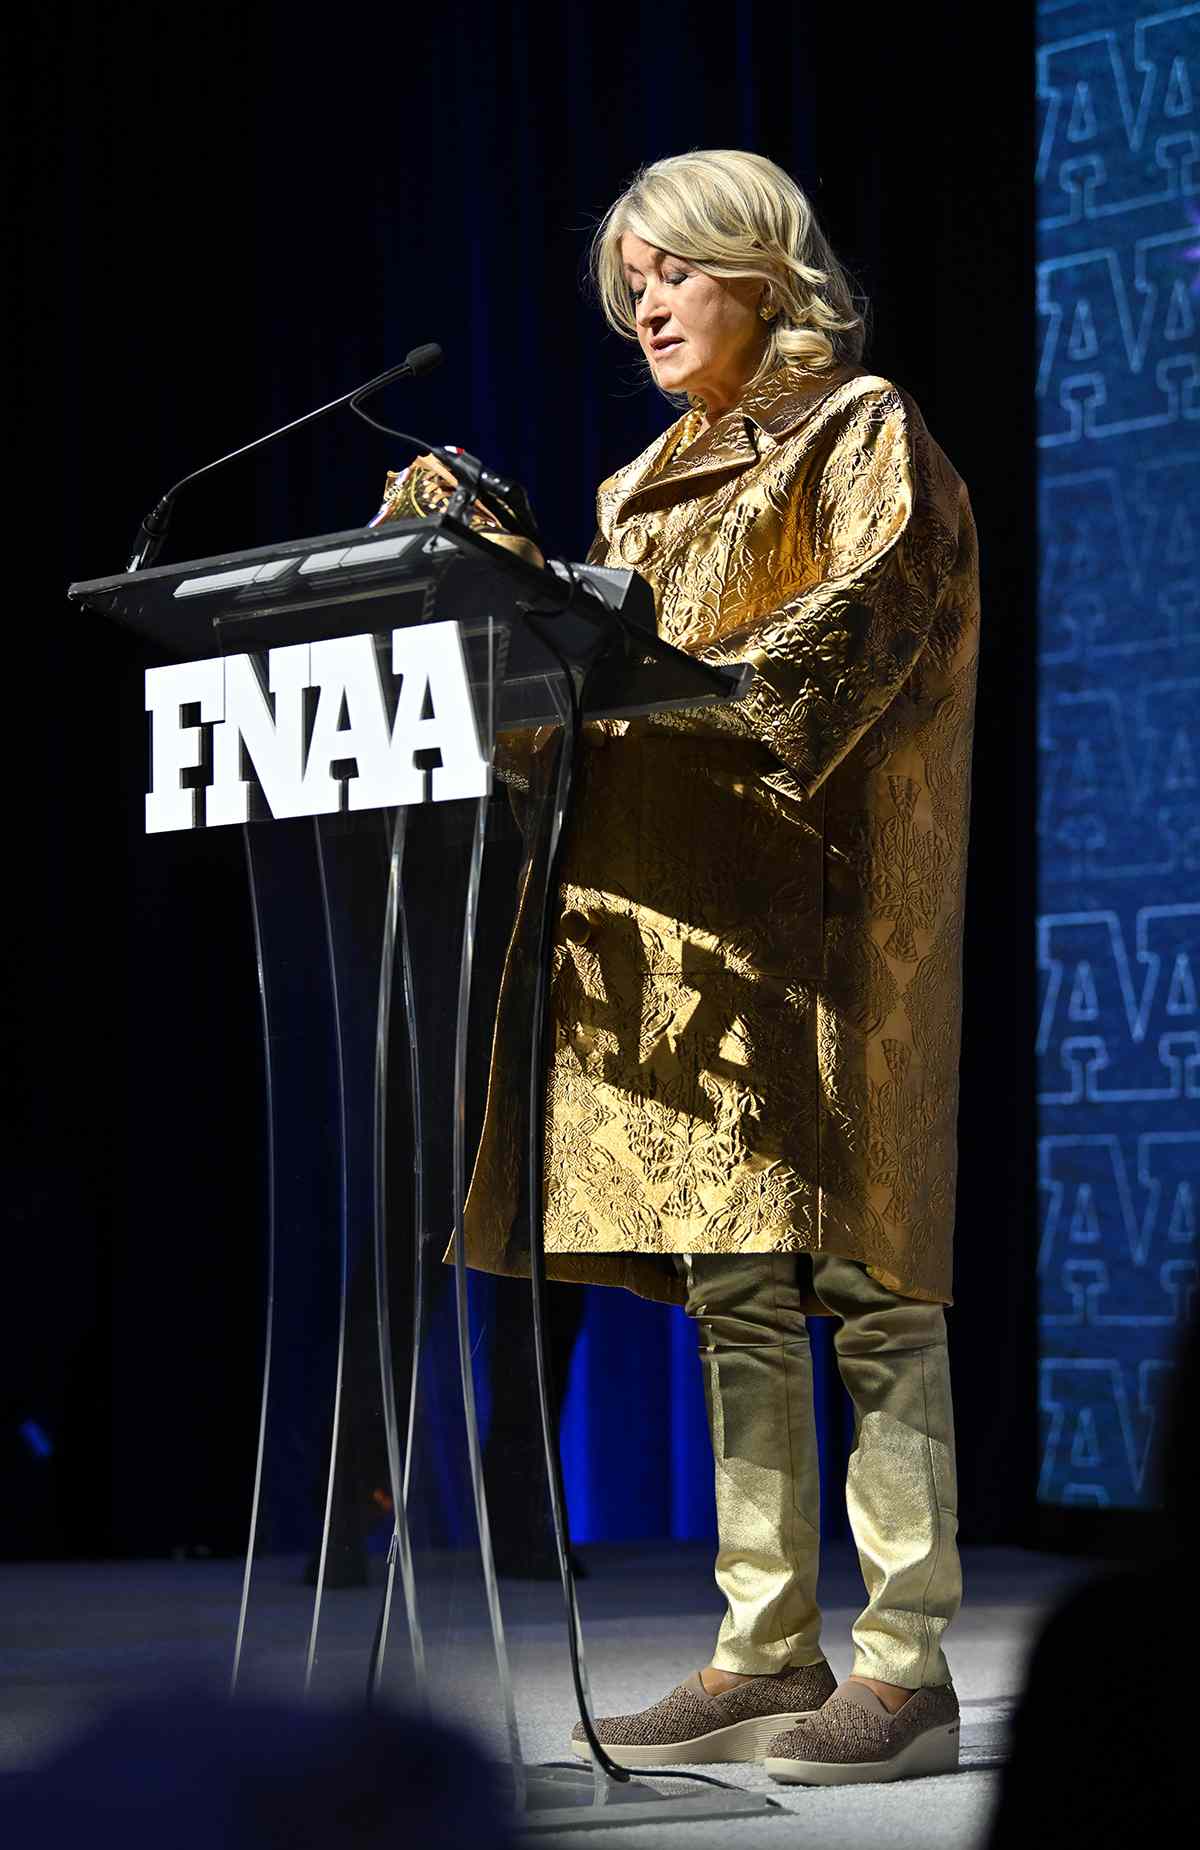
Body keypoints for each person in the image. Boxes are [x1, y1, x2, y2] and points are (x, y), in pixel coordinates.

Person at [389, 148, 981, 1787]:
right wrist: (483, 570)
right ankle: (761, 1643)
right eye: (626, 283)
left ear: (760, 268)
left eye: (671, 271)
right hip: (677, 925)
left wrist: (677, 685)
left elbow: (868, 619)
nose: (642, 302)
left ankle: (907, 1663)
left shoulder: (860, 428)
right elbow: (584, 690)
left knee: (864, 1283)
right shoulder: (637, 483)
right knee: (732, 1291)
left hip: (831, 910)